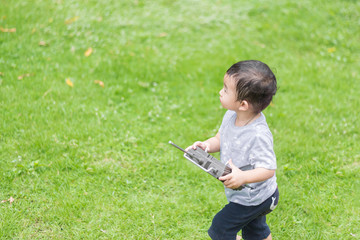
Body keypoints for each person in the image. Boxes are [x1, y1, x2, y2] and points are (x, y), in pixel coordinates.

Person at [187, 60, 279, 240]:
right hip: (248, 195)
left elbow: (268, 169)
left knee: (220, 229)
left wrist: (242, 177)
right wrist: (206, 145)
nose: (220, 92)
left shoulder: (258, 134)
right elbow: (219, 139)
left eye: (226, 90)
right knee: (255, 231)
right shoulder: (231, 115)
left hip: (255, 198)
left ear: (243, 104)